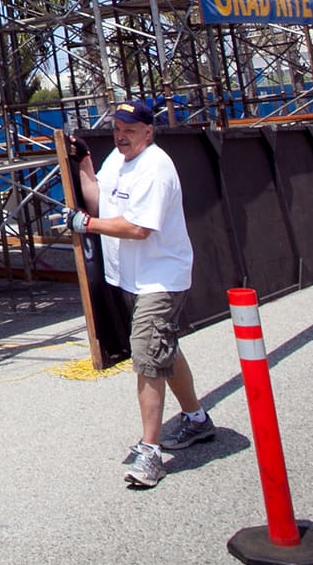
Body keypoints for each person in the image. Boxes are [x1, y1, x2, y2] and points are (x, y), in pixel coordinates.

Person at [68, 98, 210, 489]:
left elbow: (138, 228)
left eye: (129, 130)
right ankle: (197, 419)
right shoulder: (118, 158)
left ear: (149, 131)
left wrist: (87, 224)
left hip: (160, 278)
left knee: (148, 359)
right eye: (117, 129)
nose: (121, 136)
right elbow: (98, 196)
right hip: (132, 276)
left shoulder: (156, 168)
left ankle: (150, 452)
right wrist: (83, 164)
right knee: (164, 348)